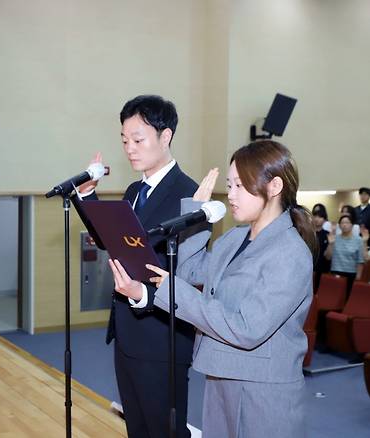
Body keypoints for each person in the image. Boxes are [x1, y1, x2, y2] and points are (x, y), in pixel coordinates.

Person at [133, 140, 315, 437]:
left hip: (262, 389)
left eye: (240, 186)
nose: (230, 195)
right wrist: (194, 212)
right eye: (229, 186)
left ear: (274, 186)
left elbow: (246, 328)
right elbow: (189, 271)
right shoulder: (234, 238)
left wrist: (173, 293)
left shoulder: (290, 253)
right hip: (221, 374)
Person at [77, 95, 198, 438]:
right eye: (124, 140)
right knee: (138, 429)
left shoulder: (189, 194)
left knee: (165, 431)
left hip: (162, 337)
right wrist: (88, 198)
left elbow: (187, 274)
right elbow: (113, 240)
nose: (129, 148)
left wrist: (144, 293)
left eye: (138, 139)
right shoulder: (133, 191)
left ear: (166, 136)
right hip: (128, 331)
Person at [326, 214, 368, 297]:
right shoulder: (334, 238)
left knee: (347, 298)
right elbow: (328, 257)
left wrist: (358, 277)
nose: (344, 225)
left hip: (351, 273)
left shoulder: (358, 240)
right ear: (339, 226)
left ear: (352, 225)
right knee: (333, 297)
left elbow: (360, 260)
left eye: (347, 223)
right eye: (342, 223)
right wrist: (331, 244)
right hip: (336, 272)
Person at [312, 204, 331, 292]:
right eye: (315, 216)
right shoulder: (308, 233)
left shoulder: (327, 234)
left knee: (320, 292)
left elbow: (328, 256)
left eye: (320, 217)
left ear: (324, 219)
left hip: (323, 268)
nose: (317, 219)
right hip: (309, 268)